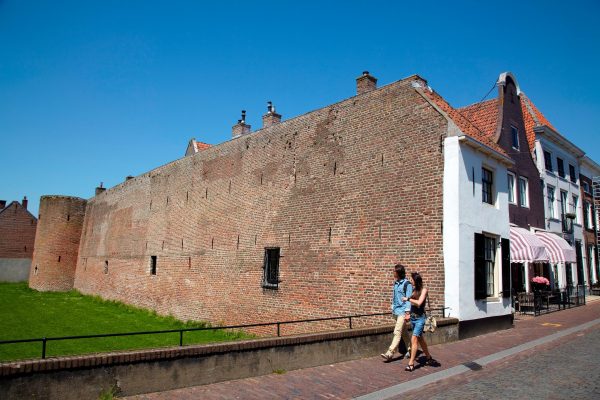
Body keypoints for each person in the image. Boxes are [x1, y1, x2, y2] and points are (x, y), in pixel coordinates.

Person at [402, 272, 439, 371]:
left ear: (416, 280)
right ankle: (429, 358)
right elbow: (412, 305)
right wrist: (408, 314)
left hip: (420, 319)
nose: (410, 281)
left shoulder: (424, 290)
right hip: (413, 318)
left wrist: (408, 299)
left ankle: (411, 363)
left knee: (414, 339)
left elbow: (419, 303)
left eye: (412, 279)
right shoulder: (414, 290)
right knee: (420, 339)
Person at [380, 264, 412, 361]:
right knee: (404, 333)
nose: (393, 272)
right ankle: (411, 350)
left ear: (398, 272)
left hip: (403, 312)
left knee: (397, 331)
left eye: (394, 271)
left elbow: (409, 299)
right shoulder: (396, 283)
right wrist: (392, 307)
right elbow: (394, 297)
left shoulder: (407, 284)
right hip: (396, 311)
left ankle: (390, 353)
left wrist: (407, 313)